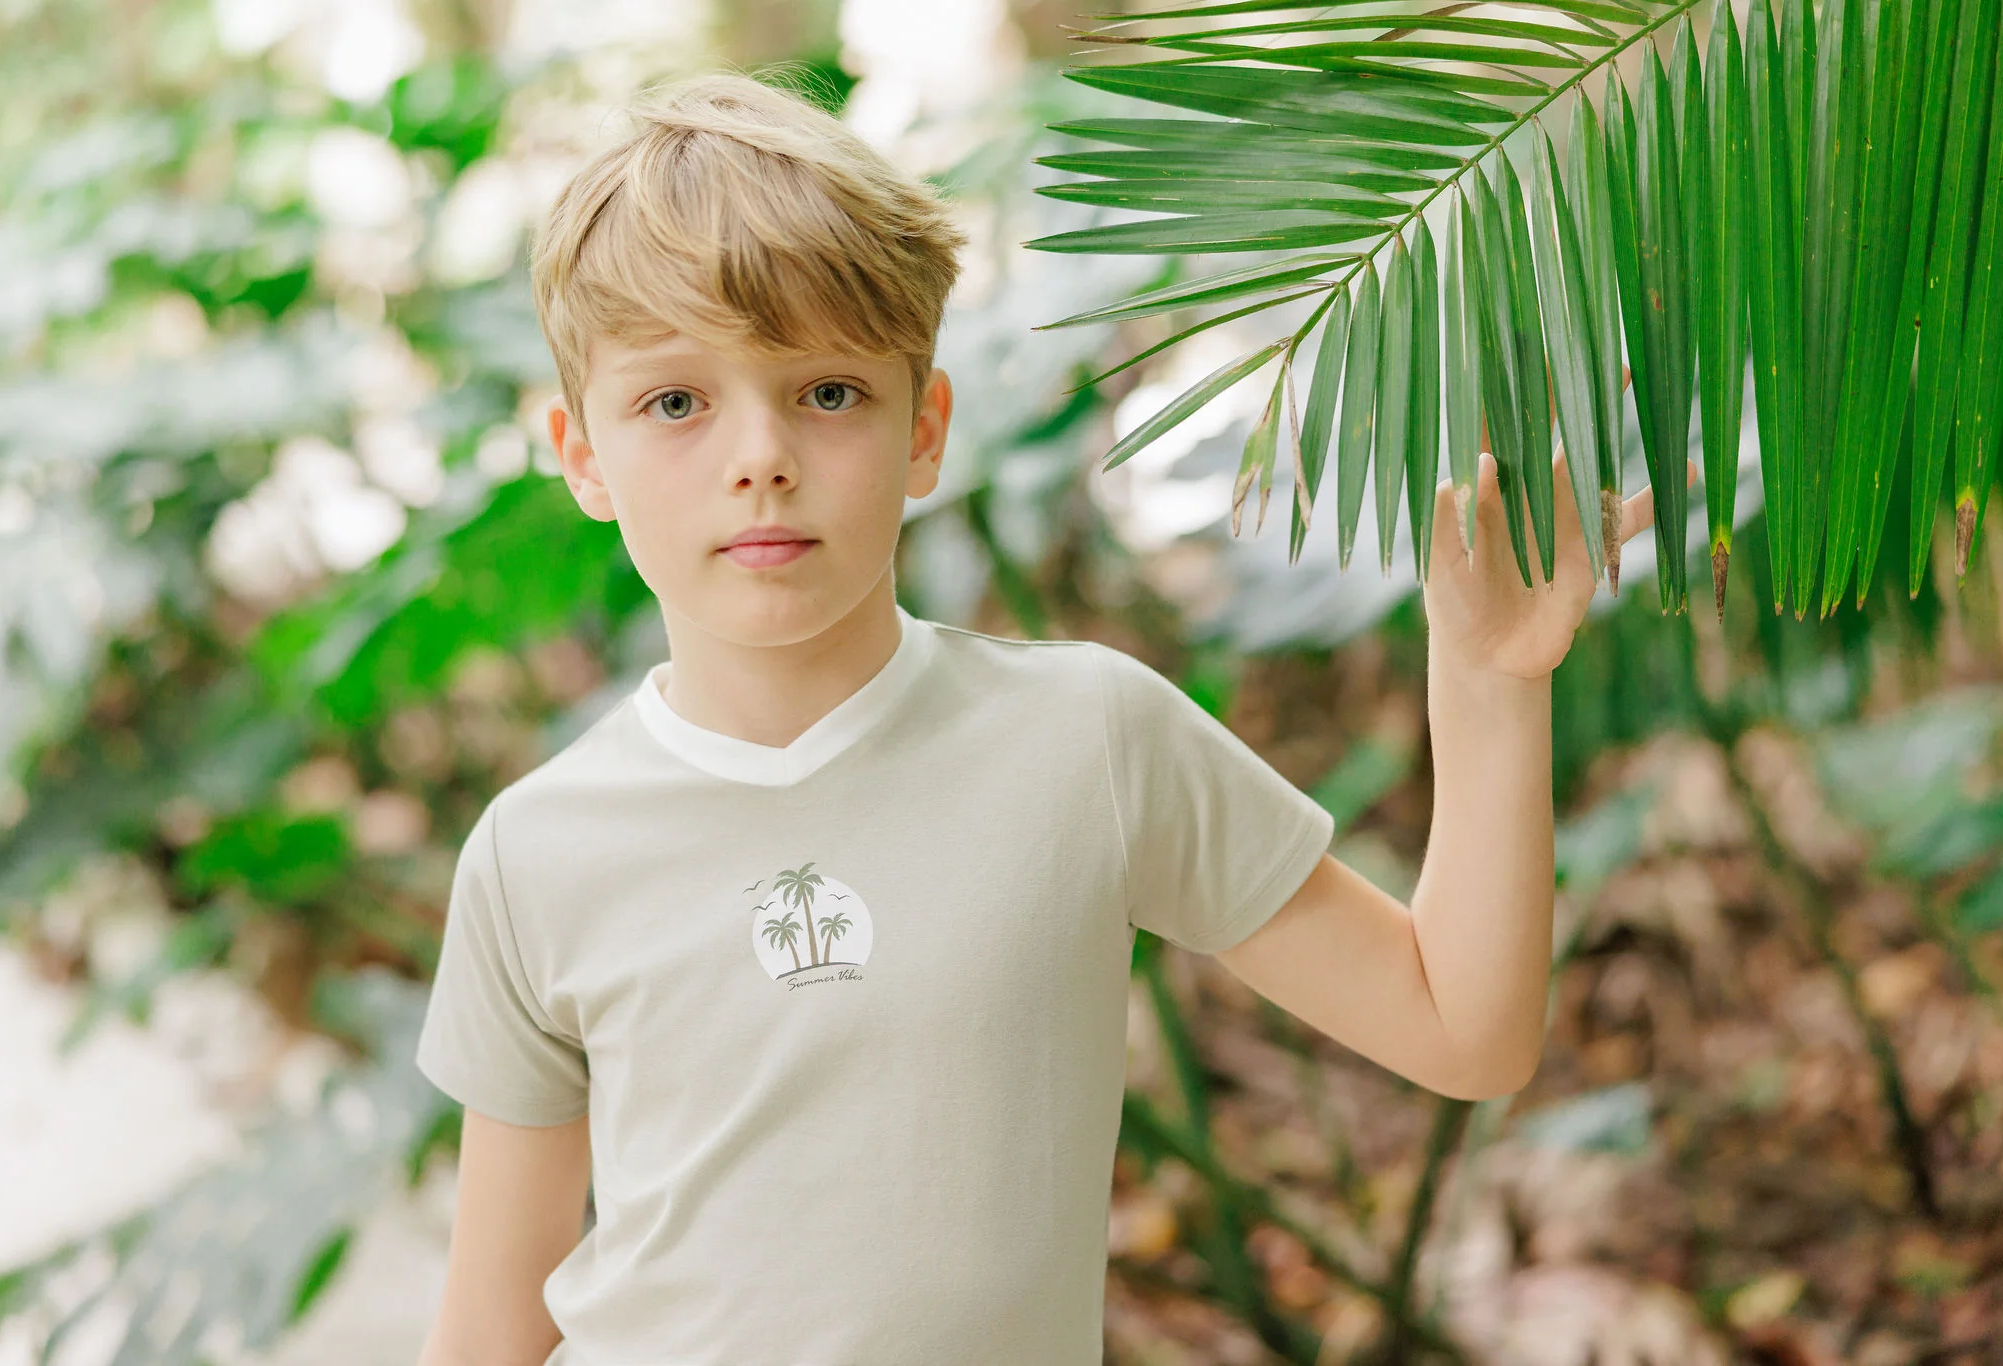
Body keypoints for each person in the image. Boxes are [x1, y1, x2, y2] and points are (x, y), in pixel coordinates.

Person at [411, 69, 1673, 1366]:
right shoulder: (536, 852)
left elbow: (1463, 1028)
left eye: (829, 390)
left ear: (925, 427)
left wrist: (1489, 680)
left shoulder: (1091, 739)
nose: (760, 455)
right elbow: (493, 1321)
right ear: (580, 454)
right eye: (676, 401)